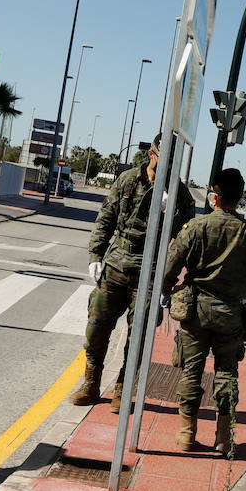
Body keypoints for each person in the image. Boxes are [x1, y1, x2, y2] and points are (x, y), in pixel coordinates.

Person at [69, 133, 194, 411]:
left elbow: (185, 240)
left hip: (149, 271)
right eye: (164, 160)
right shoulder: (127, 180)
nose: (168, 167)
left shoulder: (180, 194)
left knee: (138, 335)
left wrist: (170, 214)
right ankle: (91, 382)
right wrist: (95, 255)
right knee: (96, 326)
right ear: (152, 154)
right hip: (116, 264)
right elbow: (106, 219)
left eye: (173, 163)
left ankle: (123, 389)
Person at [163, 168, 246, 453]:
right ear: (239, 197)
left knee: (191, 371)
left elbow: (170, 268)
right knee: (226, 373)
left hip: (195, 310)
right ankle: (223, 438)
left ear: (215, 196)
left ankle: (187, 434)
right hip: (230, 314)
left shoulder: (196, 228)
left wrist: (165, 292)